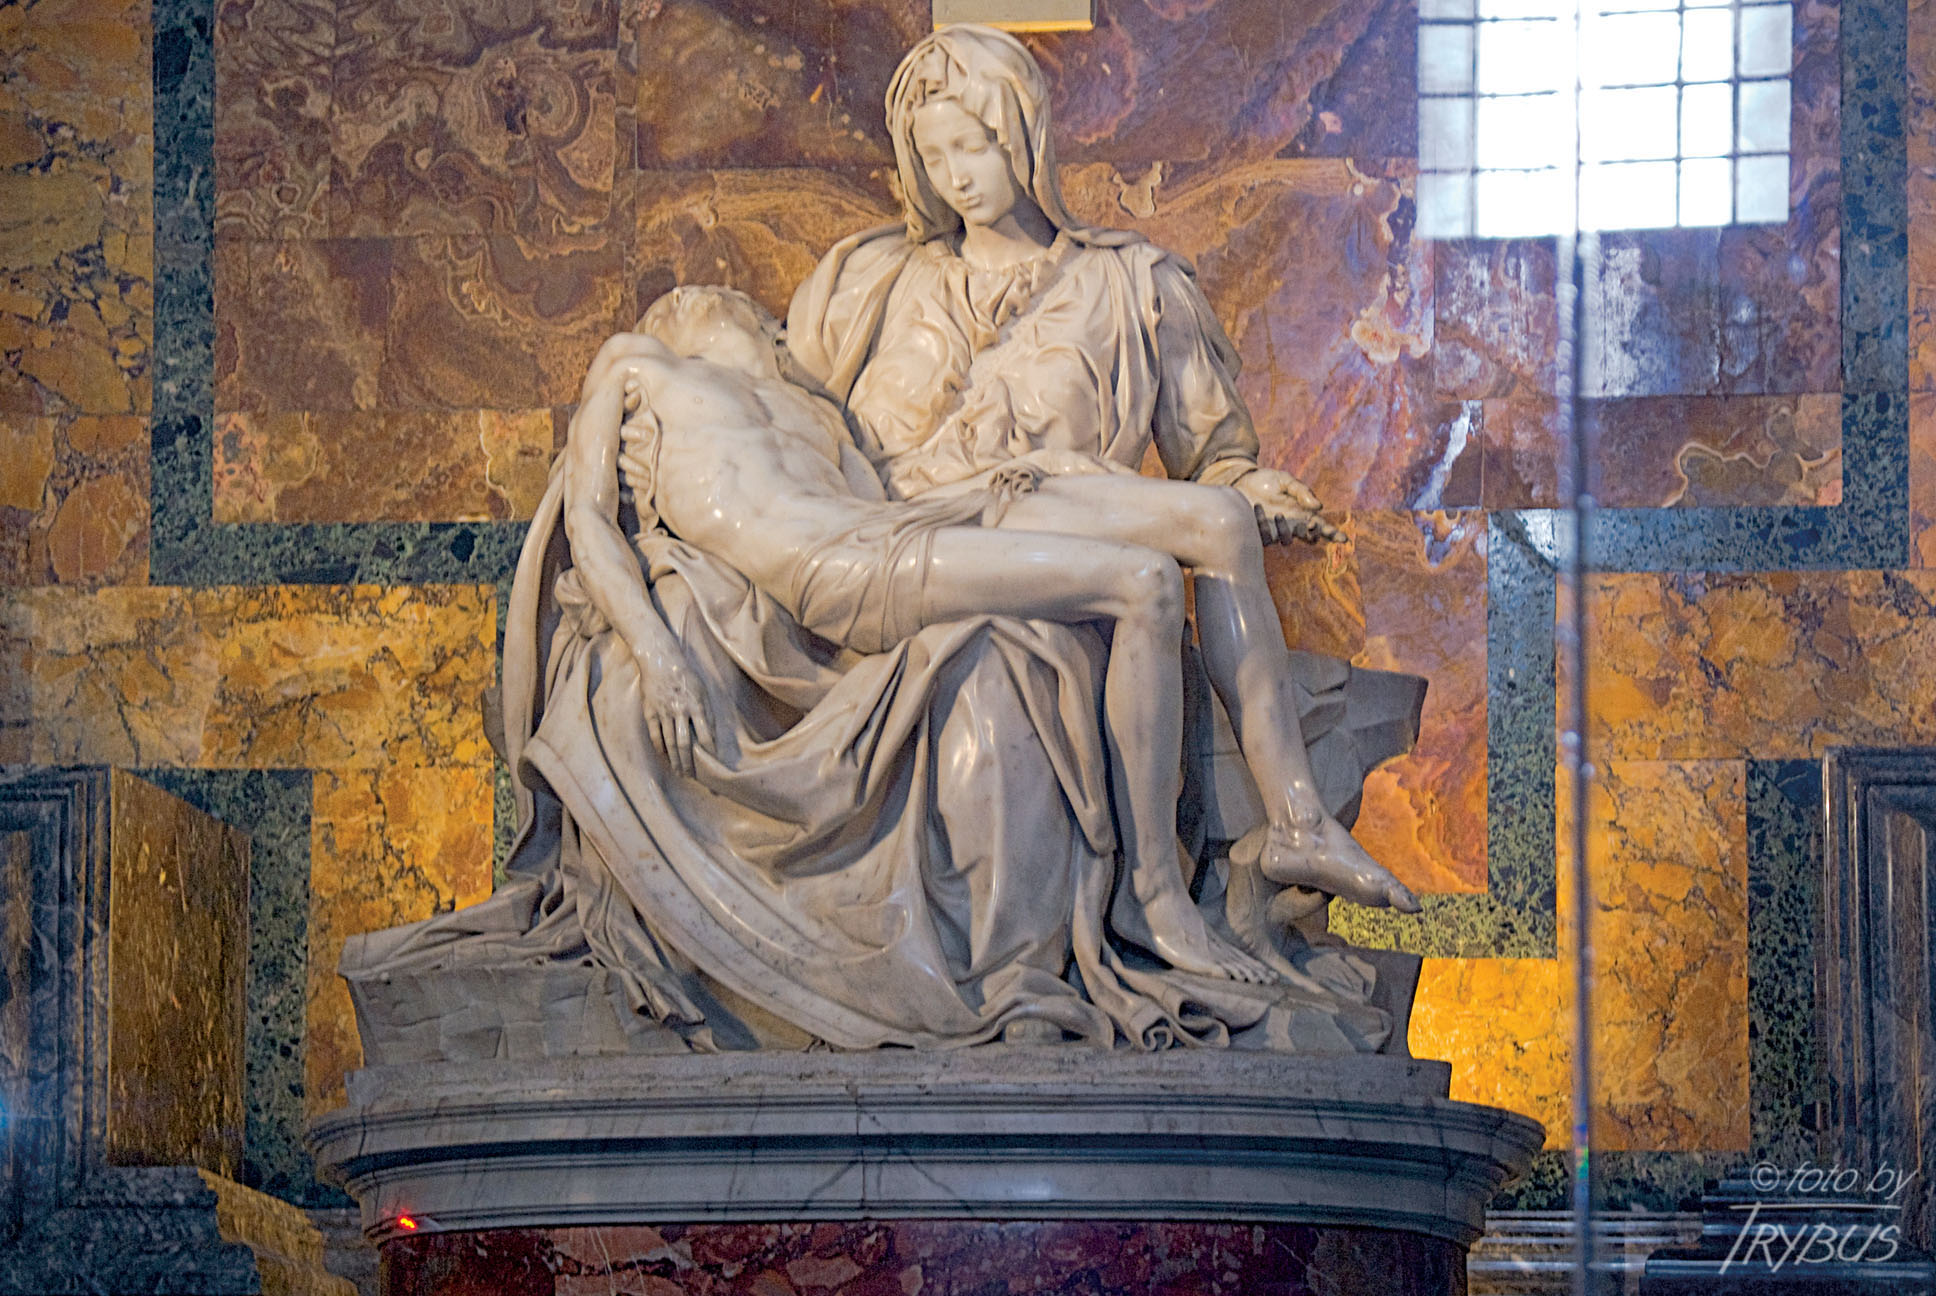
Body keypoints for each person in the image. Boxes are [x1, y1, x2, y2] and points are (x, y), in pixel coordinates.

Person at [787, 24, 1419, 914]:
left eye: (973, 146)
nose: (956, 176)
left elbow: (1212, 456)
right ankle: (1274, 836)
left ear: (1025, 137)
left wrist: (1244, 483)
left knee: (1215, 520)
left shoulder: (1134, 285)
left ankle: (1296, 823)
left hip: (1046, 539)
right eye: (933, 156)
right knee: (1175, 546)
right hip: (904, 537)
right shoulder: (867, 282)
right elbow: (780, 420)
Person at [567, 283, 1272, 984]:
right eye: (766, 321)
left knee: (1177, 548)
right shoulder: (636, 363)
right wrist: (656, 652)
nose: (781, 336)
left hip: (886, 538)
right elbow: (588, 520)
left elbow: (886, 506)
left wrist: (1033, 471)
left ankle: (1219, 857)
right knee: (1144, 584)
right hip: (838, 569)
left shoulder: (817, 417)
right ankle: (1152, 897)